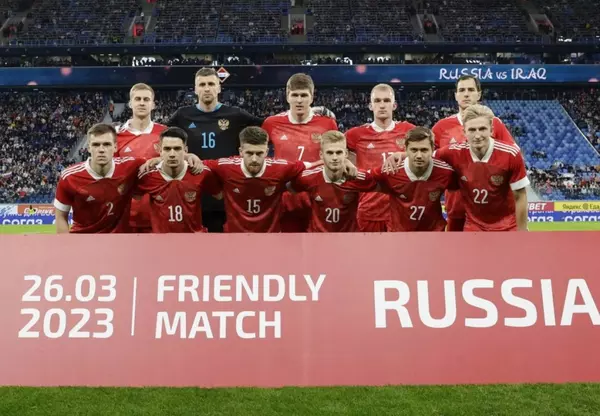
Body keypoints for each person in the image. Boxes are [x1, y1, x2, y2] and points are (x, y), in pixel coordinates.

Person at [167, 68, 336, 233]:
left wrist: (312, 111)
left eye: (211, 84)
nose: (206, 88)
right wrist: (185, 155)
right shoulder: (182, 115)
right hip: (194, 187)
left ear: (219, 87)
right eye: (202, 84)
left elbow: (269, 126)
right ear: (195, 89)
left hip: (230, 191)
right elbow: (163, 139)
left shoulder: (235, 114)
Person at [385, 105, 529, 232]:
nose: (477, 135)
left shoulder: (510, 154)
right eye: (472, 130)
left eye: (482, 129)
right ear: (464, 132)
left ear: (491, 130)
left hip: (507, 226)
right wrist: (403, 155)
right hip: (474, 226)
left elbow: (520, 196)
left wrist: (522, 232)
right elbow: (427, 155)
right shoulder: (453, 153)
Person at [431, 75, 516, 231]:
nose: (466, 94)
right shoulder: (441, 127)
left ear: (479, 94)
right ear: (456, 95)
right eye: (462, 90)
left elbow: (513, 158)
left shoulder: (494, 123)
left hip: (490, 209)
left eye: (471, 90)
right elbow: (427, 160)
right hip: (457, 207)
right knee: (455, 247)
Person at [203, 126, 321, 233]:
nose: (254, 159)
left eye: (259, 153)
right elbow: (199, 165)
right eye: (249, 153)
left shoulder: (281, 167)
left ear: (266, 152)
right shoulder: (225, 166)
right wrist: (191, 157)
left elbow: (311, 165)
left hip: (271, 237)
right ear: (241, 152)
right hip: (234, 237)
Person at [262, 73, 339, 232]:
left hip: (318, 198)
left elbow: (335, 157)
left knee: (319, 245)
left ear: (312, 97)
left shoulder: (327, 124)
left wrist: (307, 167)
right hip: (284, 199)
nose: (299, 100)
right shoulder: (272, 123)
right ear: (287, 96)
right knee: (286, 245)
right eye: (294, 95)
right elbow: (259, 155)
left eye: (304, 95)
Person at [345, 83, 416, 232]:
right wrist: (348, 164)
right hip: (369, 210)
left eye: (386, 100)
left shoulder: (409, 130)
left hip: (401, 210)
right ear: (370, 106)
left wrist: (403, 154)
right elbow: (333, 149)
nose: (382, 105)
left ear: (394, 105)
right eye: (377, 101)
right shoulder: (356, 134)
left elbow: (428, 152)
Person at [54, 124, 146, 233]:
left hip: (119, 239)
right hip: (84, 238)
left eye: (107, 144)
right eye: (96, 145)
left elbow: (158, 163)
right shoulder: (69, 177)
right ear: (89, 148)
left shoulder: (131, 166)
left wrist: (156, 160)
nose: (101, 150)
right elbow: (60, 216)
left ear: (115, 147)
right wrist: (67, 243)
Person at [370, 127, 457, 232]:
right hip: (399, 233)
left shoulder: (446, 172)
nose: (419, 156)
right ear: (405, 149)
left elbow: (464, 183)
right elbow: (364, 178)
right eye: (414, 150)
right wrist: (350, 168)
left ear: (432, 149)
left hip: (434, 232)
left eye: (424, 150)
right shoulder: (391, 171)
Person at [136, 127, 221, 233]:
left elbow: (219, 195)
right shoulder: (147, 176)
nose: (172, 154)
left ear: (185, 150)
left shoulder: (201, 173)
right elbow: (136, 196)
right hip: (161, 239)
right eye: (167, 149)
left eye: (177, 149)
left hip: (195, 238)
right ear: (160, 151)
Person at [288, 131, 375, 232]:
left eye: (339, 152)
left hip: (348, 238)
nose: (334, 158)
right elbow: (288, 189)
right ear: (321, 155)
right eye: (329, 153)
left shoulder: (358, 177)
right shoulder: (308, 178)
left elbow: (384, 187)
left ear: (346, 154)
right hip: (317, 237)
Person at [115, 83, 167, 233]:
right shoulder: (117, 136)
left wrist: (160, 160)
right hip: (126, 214)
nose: (142, 103)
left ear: (153, 105)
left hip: (160, 212)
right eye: (137, 99)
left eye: (146, 99)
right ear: (130, 103)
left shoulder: (165, 133)